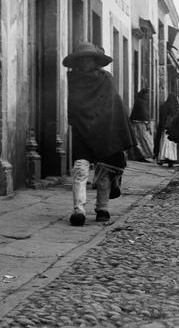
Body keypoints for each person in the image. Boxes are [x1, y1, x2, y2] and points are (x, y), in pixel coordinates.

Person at [63, 42, 135, 226]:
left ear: (95, 61)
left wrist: (111, 127)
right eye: (82, 59)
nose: (86, 62)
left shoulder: (106, 79)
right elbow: (68, 104)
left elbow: (113, 104)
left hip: (104, 130)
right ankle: (78, 210)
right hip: (81, 130)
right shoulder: (70, 80)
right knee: (80, 169)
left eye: (89, 59)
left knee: (104, 171)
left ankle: (102, 208)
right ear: (77, 62)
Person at [155, 93, 179, 166]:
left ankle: (163, 158)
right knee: (172, 145)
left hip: (165, 129)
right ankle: (172, 160)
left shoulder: (164, 106)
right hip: (173, 130)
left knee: (164, 144)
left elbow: (162, 118)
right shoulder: (177, 107)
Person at [129, 88, 153, 162]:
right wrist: (147, 123)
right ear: (144, 94)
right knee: (141, 139)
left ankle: (140, 155)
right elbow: (143, 114)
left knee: (140, 140)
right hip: (139, 124)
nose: (149, 96)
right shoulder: (140, 102)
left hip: (139, 123)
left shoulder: (141, 101)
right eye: (148, 94)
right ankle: (142, 155)